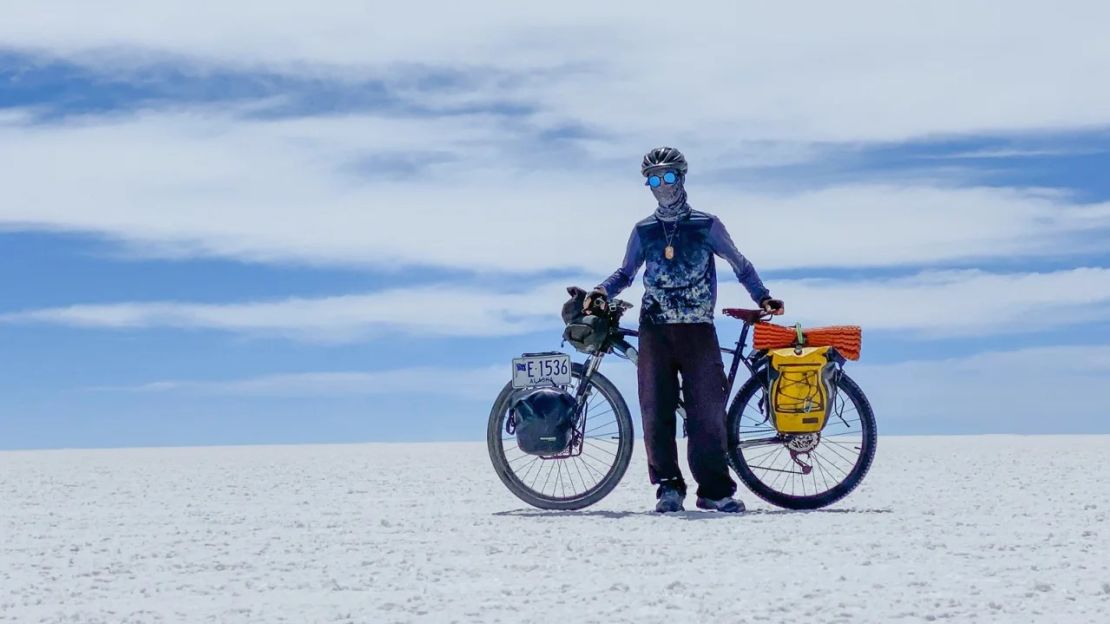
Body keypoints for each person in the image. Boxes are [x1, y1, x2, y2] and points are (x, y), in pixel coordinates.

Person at [585, 147, 783, 513]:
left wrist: (763, 295)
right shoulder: (644, 230)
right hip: (655, 329)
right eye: (654, 180)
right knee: (655, 410)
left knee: (706, 412)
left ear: (682, 177)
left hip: (697, 329)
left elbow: (739, 263)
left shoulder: (706, 225)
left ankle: (715, 491)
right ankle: (669, 488)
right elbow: (626, 274)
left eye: (669, 177)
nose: (662, 186)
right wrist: (601, 291)